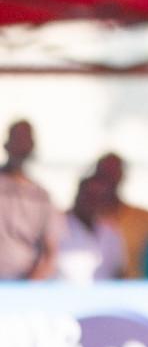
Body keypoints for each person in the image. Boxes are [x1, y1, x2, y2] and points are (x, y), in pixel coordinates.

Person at [0, 120, 60, 281]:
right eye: (17, 139)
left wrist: (33, 283)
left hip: (24, 284)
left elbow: (50, 250)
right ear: (6, 144)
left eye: (25, 140)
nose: (21, 146)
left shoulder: (41, 196)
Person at [93, 152, 148, 280]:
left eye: (114, 174)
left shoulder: (144, 218)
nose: (110, 180)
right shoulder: (86, 219)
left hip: (138, 291)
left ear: (123, 177)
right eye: (104, 174)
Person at [56, 175, 126, 282]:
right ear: (78, 195)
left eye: (98, 197)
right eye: (88, 196)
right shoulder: (58, 226)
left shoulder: (110, 231)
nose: (92, 202)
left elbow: (119, 271)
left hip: (103, 294)